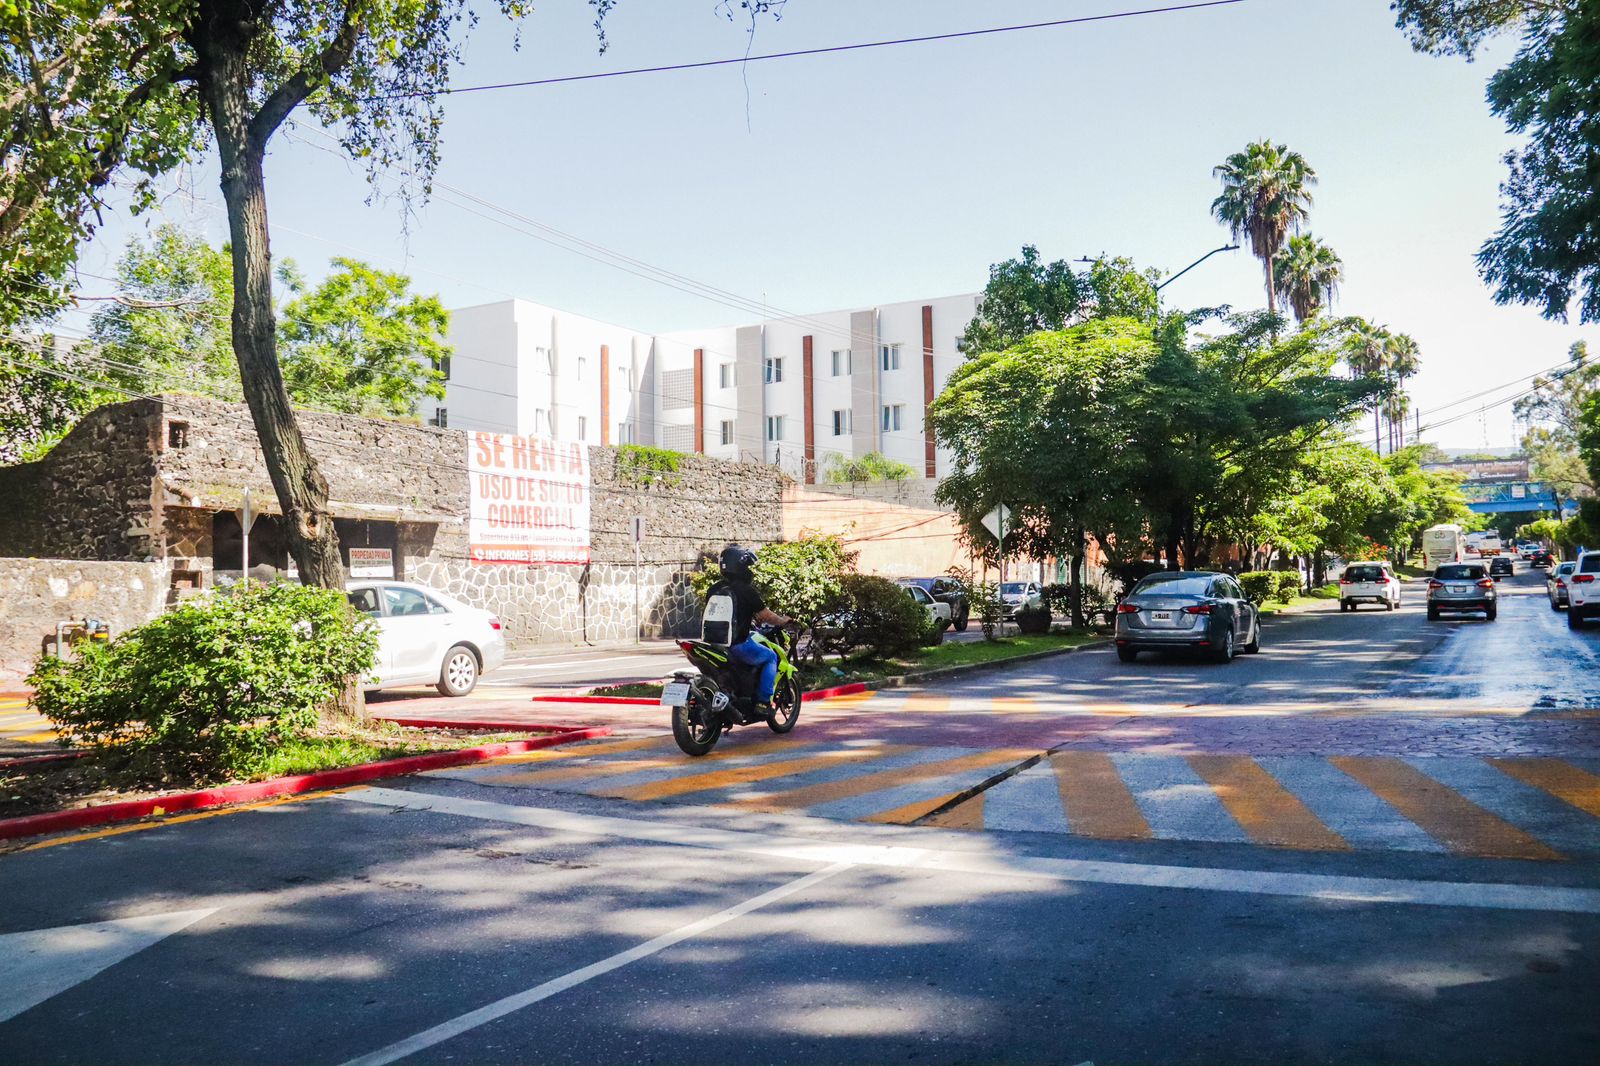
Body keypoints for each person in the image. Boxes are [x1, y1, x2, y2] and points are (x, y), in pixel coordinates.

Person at [716, 545, 792, 711]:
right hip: (736, 644)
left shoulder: (715, 588)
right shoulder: (745, 590)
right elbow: (766, 615)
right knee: (771, 657)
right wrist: (782, 621)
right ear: (740, 567)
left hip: (714, 643)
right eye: (746, 566)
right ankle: (763, 701)